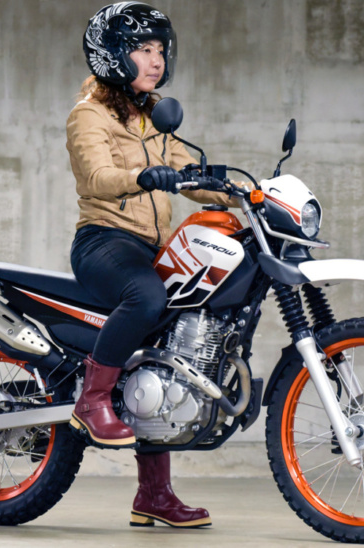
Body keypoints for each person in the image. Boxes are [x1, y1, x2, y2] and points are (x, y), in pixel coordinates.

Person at [66, 2, 240, 529]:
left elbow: (190, 173)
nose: (156, 60)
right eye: (144, 49)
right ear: (113, 55)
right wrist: (143, 176)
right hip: (104, 242)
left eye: (160, 50)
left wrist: (243, 193)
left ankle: (154, 496)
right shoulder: (89, 115)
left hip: (150, 248)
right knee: (147, 297)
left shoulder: (155, 114)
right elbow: (95, 177)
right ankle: (92, 399)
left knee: (165, 353)